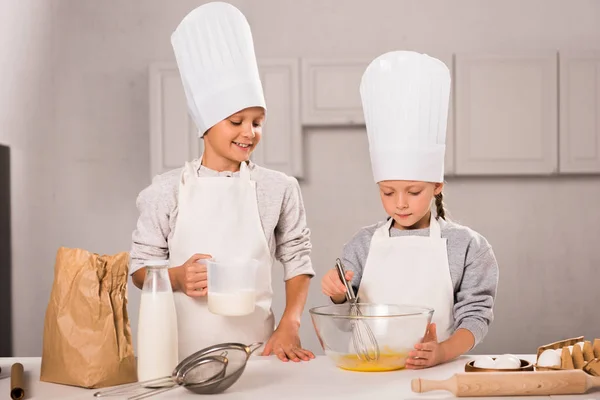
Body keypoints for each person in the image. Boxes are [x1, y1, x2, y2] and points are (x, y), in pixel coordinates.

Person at [130, 2, 315, 363]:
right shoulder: (165, 191)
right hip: (179, 356)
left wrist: (290, 323)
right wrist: (179, 278)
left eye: (257, 122)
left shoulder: (278, 189)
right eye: (236, 121)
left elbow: (297, 258)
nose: (249, 132)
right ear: (207, 125)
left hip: (258, 354)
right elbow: (140, 269)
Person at [320, 51, 499, 369]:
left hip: (438, 370)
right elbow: (348, 320)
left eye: (413, 192)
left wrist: (442, 352)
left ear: (437, 186)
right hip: (367, 372)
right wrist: (337, 294)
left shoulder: (468, 247)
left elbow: (476, 316)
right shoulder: (362, 245)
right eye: (388, 192)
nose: (400, 202)